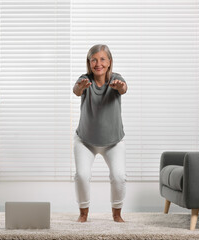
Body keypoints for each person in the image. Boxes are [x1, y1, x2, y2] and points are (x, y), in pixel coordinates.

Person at [73, 44, 127, 223]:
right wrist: (80, 87)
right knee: (82, 175)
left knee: (118, 176)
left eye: (102, 59)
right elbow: (76, 91)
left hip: (113, 142)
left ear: (109, 62)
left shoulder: (116, 79)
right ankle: (83, 214)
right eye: (94, 59)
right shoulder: (84, 79)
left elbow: (123, 89)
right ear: (89, 62)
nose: (98, 63)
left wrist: (119, 86)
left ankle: (117, 214)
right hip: (85, 141)